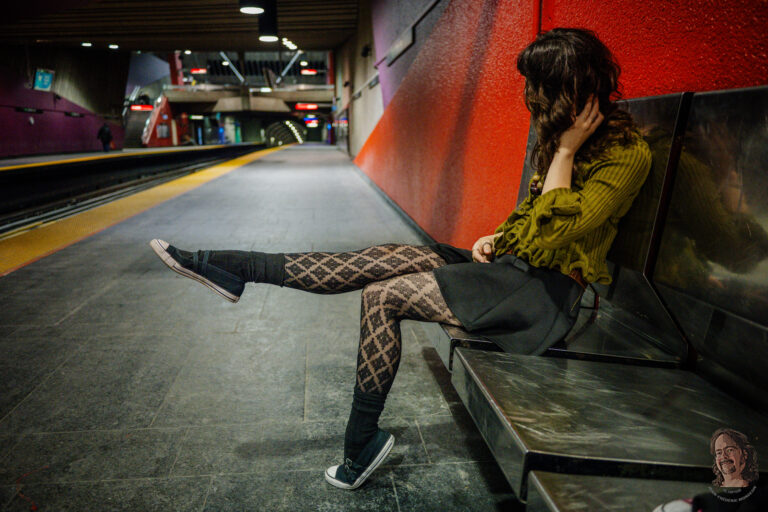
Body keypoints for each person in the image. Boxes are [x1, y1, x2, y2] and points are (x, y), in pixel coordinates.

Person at [149, 28, 652, 490]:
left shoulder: (624, 154)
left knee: (382, 297)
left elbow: (560, 228)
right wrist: (498, 237)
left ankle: (360, 442)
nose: (532, 98)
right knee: (380, 259)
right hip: (512, 270)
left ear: (574, 86)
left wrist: (563, 153)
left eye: (539, 86)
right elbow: (533, 215)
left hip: (545, 297)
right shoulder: (564, 138)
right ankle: (234, 267)